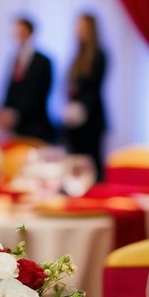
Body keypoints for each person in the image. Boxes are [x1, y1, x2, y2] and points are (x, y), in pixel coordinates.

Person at [63, 12, 109, 179]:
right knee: (74, 162)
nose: (78, 31)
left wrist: (82, 107)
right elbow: (71, 85)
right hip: (74, 122)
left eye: (82, 27)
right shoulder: (77, 57)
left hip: (92, 120)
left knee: (92, 162)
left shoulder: (99, 55)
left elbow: (93, 87)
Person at [0, 16, 54, 142]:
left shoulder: (43, 61)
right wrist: (5, 110)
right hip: (16, 127)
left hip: (35, 124)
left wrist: (18, 114)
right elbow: (11, 87)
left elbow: (40, 93)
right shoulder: (14, 59)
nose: (18, 36)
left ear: (30, 33)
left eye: (21, 32)